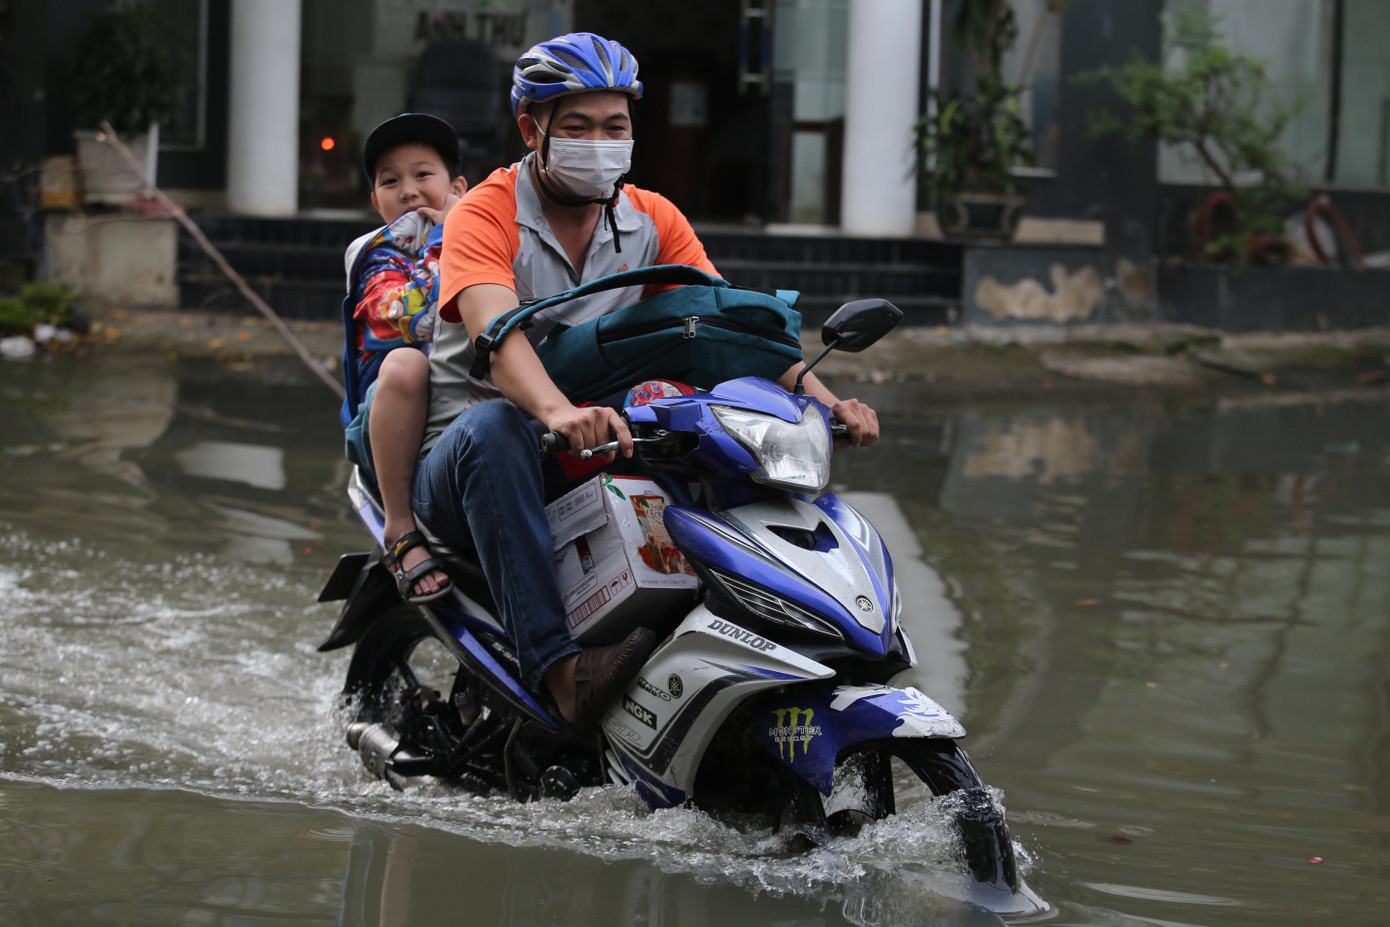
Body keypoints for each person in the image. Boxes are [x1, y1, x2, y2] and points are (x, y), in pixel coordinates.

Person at [412, 32, 880, 729]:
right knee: (494, 426)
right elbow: (498, 336)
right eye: (576, 127)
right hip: (471, 461)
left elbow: (728, 331)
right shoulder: (486, 212)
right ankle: (560, 673)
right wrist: (555, 409)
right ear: (529, 128)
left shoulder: (652, 220)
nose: (598, 142)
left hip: (592, 446)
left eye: (615, 127)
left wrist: (825, 401)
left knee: (699, 428)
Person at [340, 113, 467, 605]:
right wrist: (448, 236)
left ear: (457, 186)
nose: (409, 191)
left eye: (422, 175)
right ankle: (399, 527)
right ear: (377, 202)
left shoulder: (493, 238)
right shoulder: (376, 256)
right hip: (392, 417)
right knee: (407, 363)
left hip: (464, 399)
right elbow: (411, 318)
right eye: (391, 182)